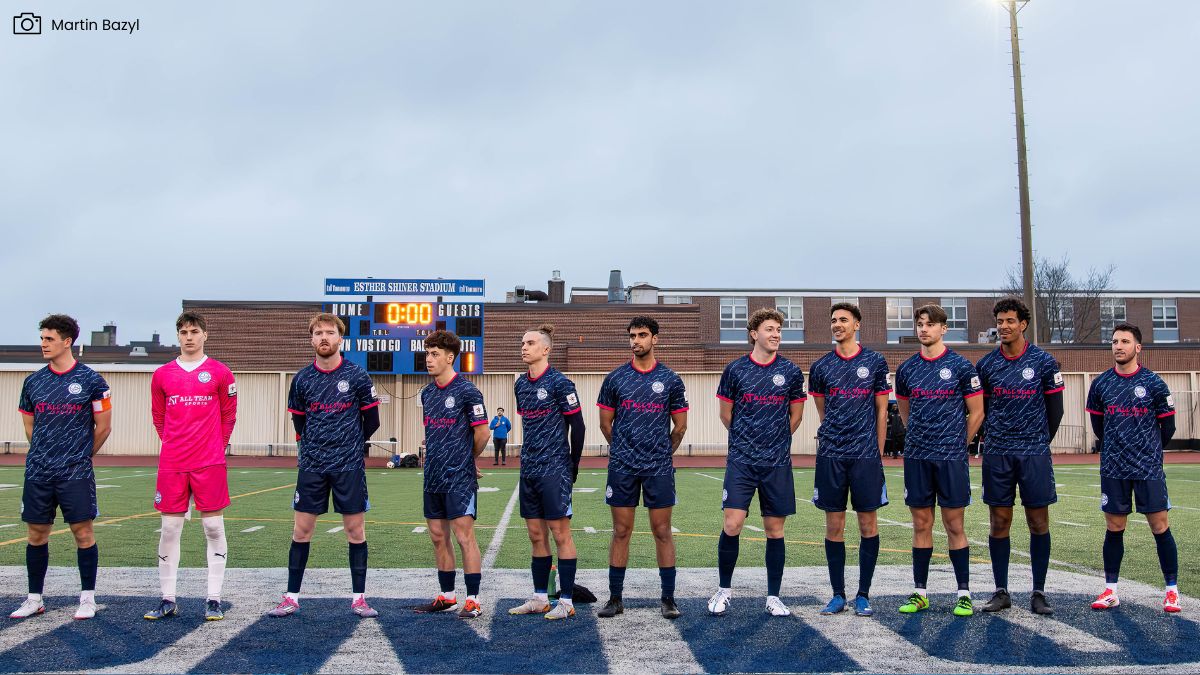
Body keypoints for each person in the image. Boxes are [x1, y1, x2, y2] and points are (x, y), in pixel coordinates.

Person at [268, 313, 381, 618]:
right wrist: (315, 446)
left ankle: (359, 599)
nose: (324, 338)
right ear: (312, 339)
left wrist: (349, 444)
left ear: (340, 338)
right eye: (318, 333)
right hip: (313, 465)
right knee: (301, 530)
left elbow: (372, 421)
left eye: (330, 332)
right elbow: (299, 422)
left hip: (348, 466)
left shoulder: (357, 375)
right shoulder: (302, 379)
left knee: (355, 531)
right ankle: (291, 597)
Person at [10, 315, 112, 621]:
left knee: (83, 533)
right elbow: (30, 426)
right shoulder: (33, 382)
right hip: (39, 471)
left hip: (75, 473)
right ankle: (34, 599)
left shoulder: (92, 381)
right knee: (36, 533)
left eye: (49, 339)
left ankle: (88, 598)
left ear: (67, 342)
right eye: (42, 338)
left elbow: (103, 427)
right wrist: (45, 453)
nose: (43, 344)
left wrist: (79, 456)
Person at [707, 309, 805, 618]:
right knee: (732, 524)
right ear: (754, 334)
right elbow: (726, 415)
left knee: (774, 530)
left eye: (778, 330)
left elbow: (796, 416)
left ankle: (773, 597)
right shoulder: (735, 370)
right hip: (742, 461)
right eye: (770, 329)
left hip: (776, 463)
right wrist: (748, 440)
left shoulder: (790, 371)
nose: (776, 334)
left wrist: (773, 441)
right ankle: (724, 590)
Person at [144, 312, 238, 621]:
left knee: (213, 527)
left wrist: (215, 447)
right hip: (173, 462)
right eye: (183, 332)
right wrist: (173, 444)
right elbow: (159, 417)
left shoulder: (221, 373)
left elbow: (228, 416)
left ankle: (214, 599)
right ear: (178, 336)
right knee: (171, 528)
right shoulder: (162, 374)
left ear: (204, 335)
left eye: (194, 331)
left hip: (209, 461)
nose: (189, 337)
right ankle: (167, 599)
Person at [975, 298, 1064, 616]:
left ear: (1023, 324)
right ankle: (1001, 591)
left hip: (1033, 454)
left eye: (1010, 321)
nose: (1003, 326)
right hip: (998, 454)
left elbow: (1056, 411)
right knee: (999, 521)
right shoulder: (986, 366)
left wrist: (1037, 442)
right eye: (999, 321)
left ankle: (1039, 592)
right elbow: (980, 410)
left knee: (1038, 521)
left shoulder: (1044, 362)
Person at [596, 316, 689, 620]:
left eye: (642, 335)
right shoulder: (615, 378)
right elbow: (605, 424)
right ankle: (615, 598)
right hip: (623, 466)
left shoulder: (671, 379)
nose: (636, 340)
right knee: (621, 531)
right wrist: (625, 450)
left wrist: (660, 453)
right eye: (632, 336)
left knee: (662, 531)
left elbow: (680, 427)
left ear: (655, 339)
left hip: (658, 468)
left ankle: (668, 599)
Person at [894, 305, 984, 616]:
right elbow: (904, 411)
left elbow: (977, 412)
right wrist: (920, 438)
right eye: (920, 324)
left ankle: (964, 593)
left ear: (943, 329)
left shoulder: (961, 366)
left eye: (930, 324)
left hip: (950, 458)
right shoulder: (907, 369)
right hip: (918, 457)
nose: (924, 329)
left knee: (954, 524)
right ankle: (920, 593)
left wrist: (959, 443)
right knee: (921, 523)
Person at [1086, 322, 1180, 613]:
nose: (1118, 346)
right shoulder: (1101, 384)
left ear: (1138, 347)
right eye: (1115, 341)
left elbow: (1168, 427)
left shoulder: (1154, 383)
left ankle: (1172, 592)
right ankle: (1111, 590)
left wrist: (1148, 450)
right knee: (1114, 527)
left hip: (1148, 468)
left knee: (1160, 526)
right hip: (1113, 467)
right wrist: (1117, 448)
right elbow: (1098, 427)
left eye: (1125, 341)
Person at [807, 302, 891, 617]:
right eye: (833, 320)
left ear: (857, 324)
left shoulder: (875, 362)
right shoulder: (821, 367)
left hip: (865, 456)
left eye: (843, 319)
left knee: (868, 523)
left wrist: (877, 451)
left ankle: (863, 595)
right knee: (834, 525)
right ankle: (838, 595)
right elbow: (823, 411)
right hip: (832, 455)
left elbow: (882, 411)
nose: (837, 324)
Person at [507, 325, 587, 620]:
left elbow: (578, 426)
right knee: (535, 534)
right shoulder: (520, 384)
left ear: (546, 349)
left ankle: (566, 601)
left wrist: (572, 465)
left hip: (555, 468)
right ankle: (540, 598)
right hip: (529, 468)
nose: (524, 347)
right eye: (522, 342)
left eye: (530, 343)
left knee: (560, 533)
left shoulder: (561, 383)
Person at [412, 330, 491, 619]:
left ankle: (473, 599)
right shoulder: (427, 393)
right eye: (427, 353)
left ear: (450, 357)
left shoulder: (468, 391)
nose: (428, 359)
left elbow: (482, 432)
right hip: (433, 475)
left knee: (464, 536)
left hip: (459, 477)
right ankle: (447, 597)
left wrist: (468, 459)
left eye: (434, 354)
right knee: (437, 536)